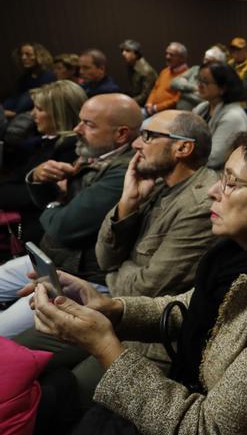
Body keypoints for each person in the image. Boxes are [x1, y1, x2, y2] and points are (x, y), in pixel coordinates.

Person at [27, 132, 247, 435]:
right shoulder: (237, 259)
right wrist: (112, 309)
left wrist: (105, 346)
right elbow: (189, 309)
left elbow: (208, 431)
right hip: (193, 392)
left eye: (231, 183)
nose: (214, 190)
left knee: (59, 404)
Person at [12, 112, 217, 402]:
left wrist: (113, 274)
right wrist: (127, 203)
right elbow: (106, 257)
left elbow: (145, 288)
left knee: (58, 393)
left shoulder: (200, 204)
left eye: (148, 136)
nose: (136, 144)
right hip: (107, 306)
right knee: (15, 356)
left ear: (182, 148)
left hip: (145, 333)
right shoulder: (154, 185)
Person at [0, 93, 142, 337]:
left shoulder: (123, 173)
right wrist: (38, 177)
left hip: (84, 277)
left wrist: (55, 203)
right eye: (80, 121)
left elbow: (62, 227)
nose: (76, 129)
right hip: (52, 260)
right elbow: (56, 212)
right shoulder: (93, 152)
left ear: (121, 134)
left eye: (89, 124)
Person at [0, 81, 83, 243]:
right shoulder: (46, 143)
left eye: (39, 109)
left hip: (41, 235)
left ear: (59, 113)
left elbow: (36, 198)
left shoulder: (69, 149)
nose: (32, 114)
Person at [192, 62, 247, 169]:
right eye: (199, 80)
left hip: (219, 175)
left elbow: (213, 158)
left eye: (205, 81)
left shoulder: (233, 117)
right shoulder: (202, 107)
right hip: (197, 167)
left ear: (222, 88)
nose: (199, 85)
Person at [3, 42, 56, 116]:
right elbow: (16, 97)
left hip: (35, 111)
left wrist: (16, 113)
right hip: (19, 110)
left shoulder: (49, 76)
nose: (23, 58)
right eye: (21, 55)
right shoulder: (24, 78)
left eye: (28, 54)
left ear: (39, 56)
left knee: (30, 94)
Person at [170, 45, 226, 111]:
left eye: (210, 61)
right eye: (205, 59)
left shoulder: (218, 77)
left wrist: (182, 93)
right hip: (178, 111)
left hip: (196, 114)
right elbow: (174, 82)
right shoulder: (195, 69)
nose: (205, 62)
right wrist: (193, 88)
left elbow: (204, 100)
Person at [144, 42, 188, 116]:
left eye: (172, 55)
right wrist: (149, 103)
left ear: (181, 58)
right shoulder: (165, 71)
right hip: (151, 110)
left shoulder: (187, 75)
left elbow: (177, 100)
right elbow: (155, 88)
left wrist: (156, 108)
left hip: (168, 114)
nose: (167, 57)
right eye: (167, 54)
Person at [118, 39, 157, 107]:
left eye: (128, 51)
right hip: (136, 101)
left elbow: (146, 96)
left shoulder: (146, 71)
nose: (123, 53)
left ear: (136, 53)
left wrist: (128, 102)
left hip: (146, 105)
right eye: (122, 51)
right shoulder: (131, 66)